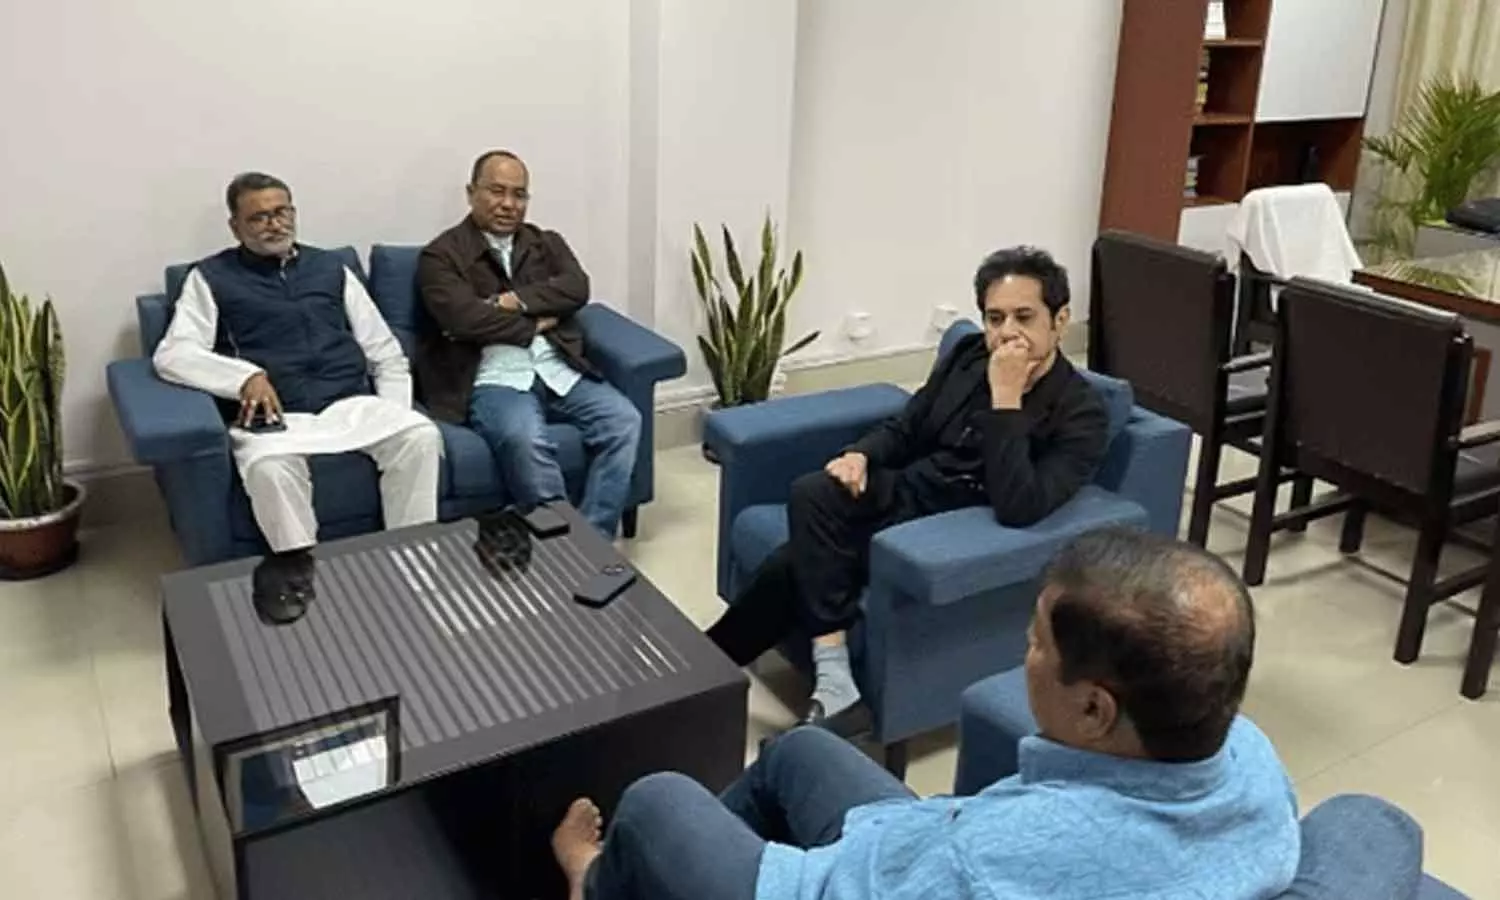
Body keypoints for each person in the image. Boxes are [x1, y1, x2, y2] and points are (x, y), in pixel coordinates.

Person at [550, 528, 1302, 900]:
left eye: (1036, 644)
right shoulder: (1249, 759)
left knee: (655, 800)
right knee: (796, 753)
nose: (1023, 654)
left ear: (1094, 708)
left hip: (841, 884)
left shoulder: (993, 861)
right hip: (924, 840)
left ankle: (596, 883)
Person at [706, 247, 1110, 730]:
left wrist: (1006, 399)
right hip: (911, 490)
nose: (1006, 333)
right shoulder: (969, 356)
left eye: (1024, 317)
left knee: (792, 564)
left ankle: (714, 670)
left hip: (952, 527)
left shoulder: (1081, 412)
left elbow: (1020, 504)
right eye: (995, 318)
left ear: (1060, 320)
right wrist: (861, 454)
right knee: (814, 492)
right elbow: (908, 424)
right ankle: (784, 677)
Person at [154, 173, 442, 596]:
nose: (274, 224)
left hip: (348, 402)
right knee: (270, 470)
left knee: (419, 436)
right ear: (235, 226)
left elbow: (384, 351)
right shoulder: (211, 277)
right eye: (259, 217)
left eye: (282, 212)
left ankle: (413, 575)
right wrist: (245, 377)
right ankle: (306, 587)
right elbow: (173, 354)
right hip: (278, 418)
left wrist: (394, 410)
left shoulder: (331, 268)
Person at [416, 150, 642, 538]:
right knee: (525, 439)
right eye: (497, 191)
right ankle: (563, 545)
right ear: (471, 193)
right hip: (495, 378)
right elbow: (462, 319)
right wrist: (535, 322)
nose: (509, 204)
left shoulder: (546, 243)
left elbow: (576, 288)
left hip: (558, 368)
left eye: (519, 194)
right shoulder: (441, 255)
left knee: (625, 421)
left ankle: (594, 540)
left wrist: (511, 301)